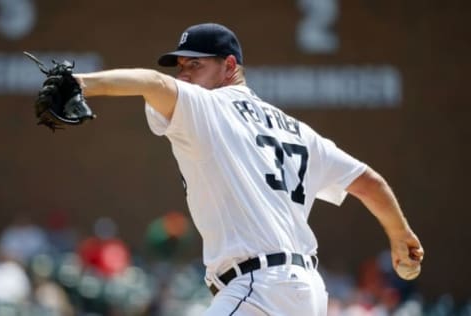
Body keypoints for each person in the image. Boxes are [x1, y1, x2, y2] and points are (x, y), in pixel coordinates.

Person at [73, 23, 424, 315]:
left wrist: (82, 84)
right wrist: (401, 237)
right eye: (181, 66)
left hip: (258, 288)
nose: (185, 75)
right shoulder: (297, 129)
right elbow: (368, 182)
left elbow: (152, 83)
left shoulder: (208, 106)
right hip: (306, 292)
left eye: (196, 65)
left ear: (229, 66)